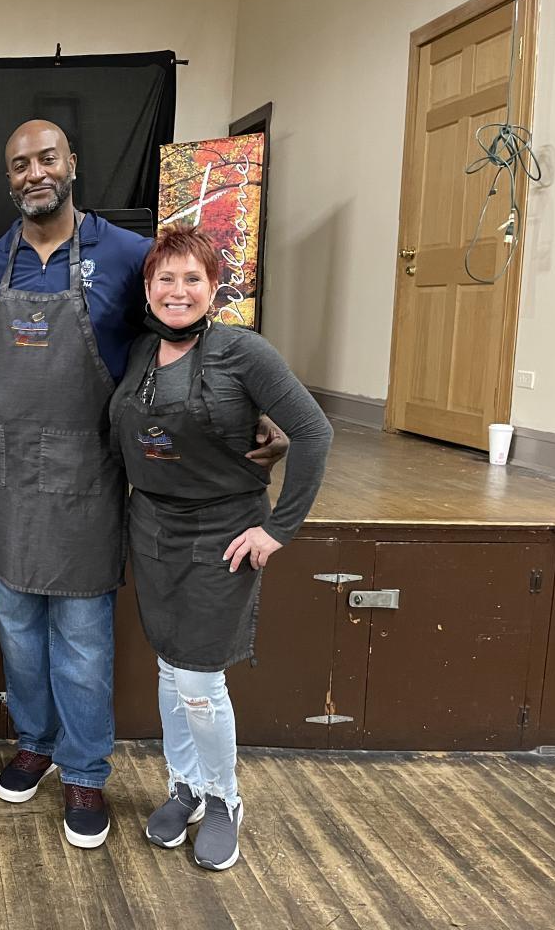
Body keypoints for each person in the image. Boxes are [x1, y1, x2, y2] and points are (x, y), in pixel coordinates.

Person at [0, 120, 288, 849]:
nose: (35, 172)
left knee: (81, 638)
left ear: (73, 163)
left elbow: (187, 329)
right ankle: (35, 742)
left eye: (47, 158)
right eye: (20, 164)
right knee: (17, 630)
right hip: (5, 475)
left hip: (87, 473)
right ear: (8, 177)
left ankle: (83, 769)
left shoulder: (130, 255)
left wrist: (253, 404)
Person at [111, 223, 332, 870]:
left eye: (193, 278)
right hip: (153, 528)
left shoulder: (243, 351)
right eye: (165, 278)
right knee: (169, 667)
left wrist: (279, 528)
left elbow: (313, 432)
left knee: (200, 678)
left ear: (214, 288)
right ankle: (183, 787)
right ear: (148, 287)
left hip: (224, 533)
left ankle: (223, 799)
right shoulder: (139, 352)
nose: (177, 291)